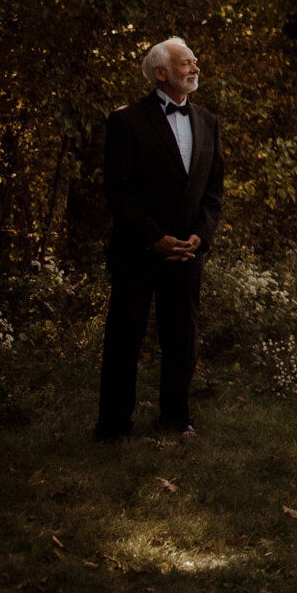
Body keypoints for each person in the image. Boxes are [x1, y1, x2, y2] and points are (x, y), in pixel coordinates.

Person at [94, 37, 226, 441]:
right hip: (139, 249)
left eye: (195, 61)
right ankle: (114, 426)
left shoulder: (207, 122)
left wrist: (198, 239)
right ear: (160, 73)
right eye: (186, 63)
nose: (195, 68)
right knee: (124, 339)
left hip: (188, 252)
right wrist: (154, 238)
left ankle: (176, 417)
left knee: (181, 339)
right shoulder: (126, 120)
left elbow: (214, 192)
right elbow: (118, 190)